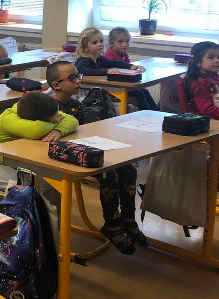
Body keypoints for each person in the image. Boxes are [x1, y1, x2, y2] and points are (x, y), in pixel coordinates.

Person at [46, 61, 145, 254]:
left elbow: (82, 132)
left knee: (127, 169)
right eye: (72, 78)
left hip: (81, 150)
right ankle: (112, 224)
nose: (78, 81)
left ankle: (128, 219)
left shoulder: (76, 105)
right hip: (59, 155)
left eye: (78, 76)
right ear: (56, 85)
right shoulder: (48, 107)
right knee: (108, 174)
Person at [0, 91, 78, 195]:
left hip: (13, 162)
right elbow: (37, 129)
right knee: (28, 188)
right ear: (38, 120)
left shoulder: (34, 110)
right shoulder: (9, 119)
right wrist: (56, 123)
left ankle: (47, 208)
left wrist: (58, 130)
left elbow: (72, 120)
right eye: (53, 119)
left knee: (48, 183)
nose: (58, 117)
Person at [101, 27, 157, 110]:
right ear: (111, 43)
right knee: (139, 94)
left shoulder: (124, 54)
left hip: (124, 86)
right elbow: (107, 81)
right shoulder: (109, 57)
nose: (125, 44)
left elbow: (129, 68)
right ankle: (148, 115)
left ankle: (156, 113)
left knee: (145, 91)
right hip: (112, 91)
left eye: (127, 41)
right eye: (120, 42)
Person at [183, 41, 219, 121]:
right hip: (211, 119)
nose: (217, 60)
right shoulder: (198, 82)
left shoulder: (218, 77)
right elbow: (206, 109)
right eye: (211, 57)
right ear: (198, 62)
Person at [74, 27, 145, 78]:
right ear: (85, 47)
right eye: (95, 43)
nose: (100, 44)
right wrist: (106, 71)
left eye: (101, 41)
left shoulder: (99, 58)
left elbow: (114, 63)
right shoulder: (84, 60)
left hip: (95, 88)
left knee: (143, 91)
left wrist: (130, 66)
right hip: (86, 91)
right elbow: (80, 70)